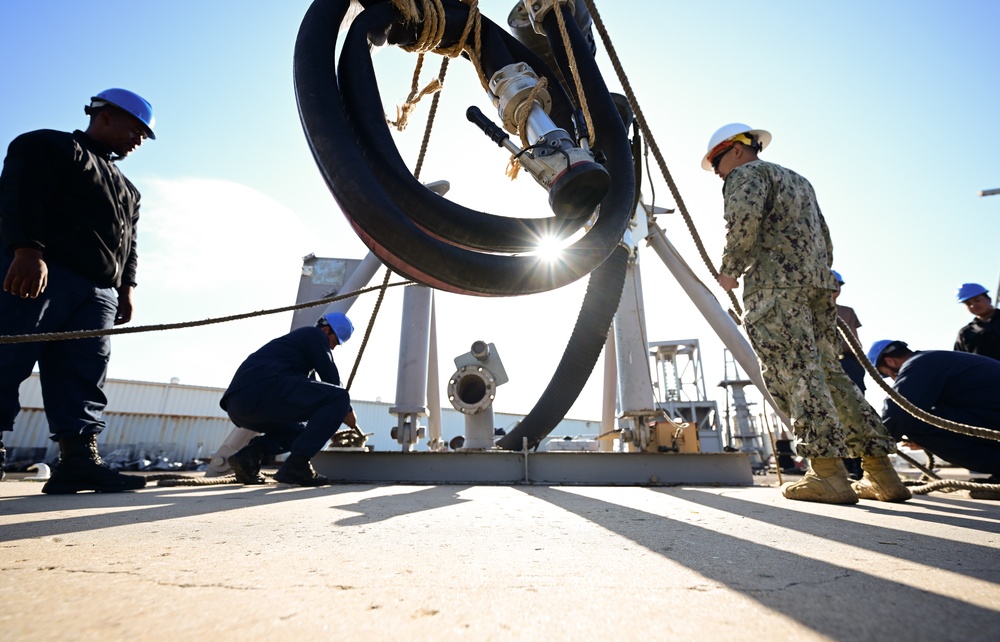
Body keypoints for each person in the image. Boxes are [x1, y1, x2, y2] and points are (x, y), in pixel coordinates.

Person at [703, 123, 909, 504]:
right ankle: (881, 473)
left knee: (795, 373)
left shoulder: (745, 175)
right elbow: (825, 238)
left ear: (736, 150)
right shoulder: (799, 181)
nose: (716, 171)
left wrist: (730, 269)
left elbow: (743, 220)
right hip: (817, 286)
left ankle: (827, 474)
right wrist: (819, 279)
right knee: (831, 374)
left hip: (776, 289)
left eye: (716, 161)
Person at [0, 89, 155, 493]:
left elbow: (129, 244)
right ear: (104, 115)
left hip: (98, 292)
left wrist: (126, 288)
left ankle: (79, 461)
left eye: (144, 135)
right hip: (42, 271)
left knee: (83, 374)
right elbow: (20, 197)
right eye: (135, 129)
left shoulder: (128, 190)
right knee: (7, 356)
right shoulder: (49, 145)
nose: (139, 139)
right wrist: (27, 250)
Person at [221, 312, 359, 486]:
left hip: (240, 406)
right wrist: (347, 410)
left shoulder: (298, 354)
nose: (332, 348)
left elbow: (318, 393)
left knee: (300, 431)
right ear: (326, 330)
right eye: (334, 342)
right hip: (261, 391)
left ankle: (249, 457)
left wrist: (325, 426)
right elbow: (332, 380)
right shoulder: (314, 334)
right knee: (340, 397)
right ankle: (297, 465)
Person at [867, 340, 1000, 480]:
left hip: (993, 413)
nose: (893, 379)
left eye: (888, 374)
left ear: (890, 361)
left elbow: (897, 412)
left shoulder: (917, 365)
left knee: (914, 422)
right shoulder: (935, 360)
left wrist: (872, 445)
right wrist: (927, 440)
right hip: (991, 413)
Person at [832, 269, 864, 479]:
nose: (835, 288)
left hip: (850, 363)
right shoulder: (810, 310)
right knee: (834, 414)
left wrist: (861, 364)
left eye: (838, 284)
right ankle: (842, 466)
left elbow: (855, 339)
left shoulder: (847, 312)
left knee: (856, 410)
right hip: (827, 363)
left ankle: (859, 465)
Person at [954, 283, 1000, 361]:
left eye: (977, 300)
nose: (973, 305)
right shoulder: (966, 333)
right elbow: (960, 361)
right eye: (968, 304)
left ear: (989, 299)